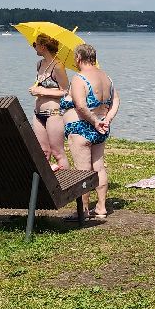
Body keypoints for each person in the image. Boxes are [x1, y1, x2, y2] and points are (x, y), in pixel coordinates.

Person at [60, 42, 118, 221]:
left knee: (82, 170)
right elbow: (115, 101)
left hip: (81, 128)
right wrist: (106, 120)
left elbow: (80, 105)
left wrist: (94, 121)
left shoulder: (79, 78)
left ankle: (83, 209)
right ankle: (101, 207)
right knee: (99, 167)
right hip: (100, 128)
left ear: (78, 58)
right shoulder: (106, 77)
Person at [27, 33, 69, 168]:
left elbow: (65, 91)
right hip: (38, 113)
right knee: (43, 152)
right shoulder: (39, 64)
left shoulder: (58, 66)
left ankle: (66, 185)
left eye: (35, 45)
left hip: (54, 113)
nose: (34, 48)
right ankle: (46, 186)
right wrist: (36, 89)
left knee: (57, 152)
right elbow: (40, 86)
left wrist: (42, 91)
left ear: (43, 46)